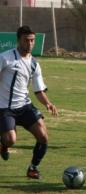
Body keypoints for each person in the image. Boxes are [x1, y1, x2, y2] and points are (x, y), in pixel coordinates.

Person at [0, 26, 58, 179]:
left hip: (24, 106)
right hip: (5, 107)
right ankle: (4, 144)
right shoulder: (5, 58)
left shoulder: (34, 64)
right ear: (18, 40)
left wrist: (48, 103)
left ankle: (33, 168)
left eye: (32, 40)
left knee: (43, 137)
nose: (30, 43)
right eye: (26, 40)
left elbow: (38, 90)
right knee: (11, 140)